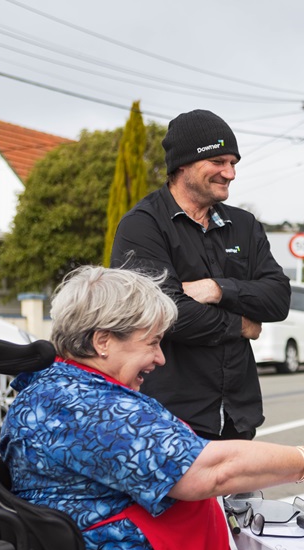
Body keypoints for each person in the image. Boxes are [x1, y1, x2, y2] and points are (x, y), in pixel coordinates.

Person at [1, 266, 304, 550]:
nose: (160, 359)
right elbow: (209, 472)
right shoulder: (95, 408)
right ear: (103, 341)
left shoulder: (48, 387)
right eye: (152, 343)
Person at [110, 109, 290, 441]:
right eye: (219, 161)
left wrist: (218, 289)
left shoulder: (244, 225)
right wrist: (241, 324)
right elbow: (165, 314)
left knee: (241, 497)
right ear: (183, 165)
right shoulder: (142, 226)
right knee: (188, 496)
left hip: (237, 414)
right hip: (169, 419)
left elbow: (278, 299)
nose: (231, 173)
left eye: (234, 162)